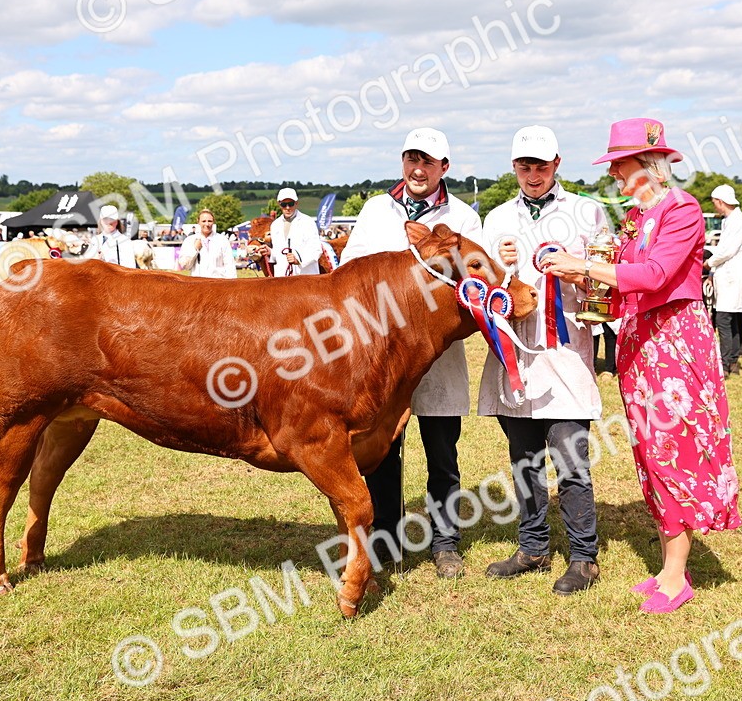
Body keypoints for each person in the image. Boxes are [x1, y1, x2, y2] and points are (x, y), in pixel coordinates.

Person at [540, 117, 742, 613]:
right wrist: (588, 283)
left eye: (620, 164)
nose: (614, 175)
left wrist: (583, 266)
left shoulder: (683, 209)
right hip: (638, 342)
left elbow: (654, 275)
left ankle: (677, 574)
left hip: (675, 342)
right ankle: (670, 567)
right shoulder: (636, 216)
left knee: (676, 449)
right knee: (651, 453)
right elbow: (622, 282)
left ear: (650, 163)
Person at [340, 127, 482, 579]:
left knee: (442, 453)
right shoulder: (376, 210)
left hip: (437, 357)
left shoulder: (463, 217)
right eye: (411, 159)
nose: (418, 169)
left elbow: (476, 284)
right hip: (382, 359)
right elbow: (350, 274)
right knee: (382, 452)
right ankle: (385, 539)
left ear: (445, 167)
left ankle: (445, 543)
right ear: (403, 162)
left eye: (428, 161)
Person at [479, 125, 606, 595]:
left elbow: (605, 287)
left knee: (571, 459)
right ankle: (532, 547)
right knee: (524, 460)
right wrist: (499, 263)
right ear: (514, 167)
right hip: (515, 357)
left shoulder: (586, 211)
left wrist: (575, 266)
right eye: (524, 166)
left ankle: (583, 557)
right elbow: (479, 292)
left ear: (557, 164)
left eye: (541, 165)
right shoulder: (495, 219)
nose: (533, 175)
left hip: (567, 351)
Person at [707, 184, 742, 377]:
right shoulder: (731, 220)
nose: (715, 206)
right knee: (730, 319)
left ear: (720, 201)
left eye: (715, 202)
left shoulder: (737, 221)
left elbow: (727, 250)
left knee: (724, 320)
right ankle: (732, 359)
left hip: (732, 275)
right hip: (728, 275)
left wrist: (709, 263)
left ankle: (725, 363)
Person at [259, 188, 322, 276]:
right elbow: (279, 253)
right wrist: (270, 252)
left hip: (305, 278)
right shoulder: (275, 225)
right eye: (284, 204)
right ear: (279, 204)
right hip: (283, 278)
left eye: (291, 204)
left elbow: (316, 250)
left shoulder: (308, 222)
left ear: (296, 203)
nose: (287, 208)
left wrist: (299, 260)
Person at [177, 209, 238, 278]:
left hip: (218, 284)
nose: (207, 224)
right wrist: (195, 249)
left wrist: (231, 285)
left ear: (213, 222)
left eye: (210, 221)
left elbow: (230, 265)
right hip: (198, 284)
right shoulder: (190, 240)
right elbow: (184, 265)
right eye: (203, 221)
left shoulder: (222, 240)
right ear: (198, 222)